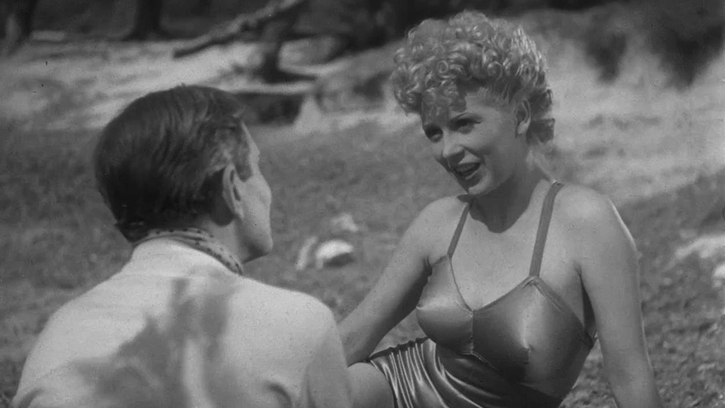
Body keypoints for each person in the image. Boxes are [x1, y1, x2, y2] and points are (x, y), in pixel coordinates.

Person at [340, 11, 663, 408]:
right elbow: (356, 335)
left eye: (464, 123)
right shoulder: (438, 223)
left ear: (521, 116)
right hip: (396, 390)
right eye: (434, 133)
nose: (448, 150)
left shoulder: (587, 223)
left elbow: (630, 376)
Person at [13, 86, 353, 408]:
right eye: (258, 167)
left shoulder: (57, 335)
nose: (267, 189)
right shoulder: (300, 325)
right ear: (232, 189)